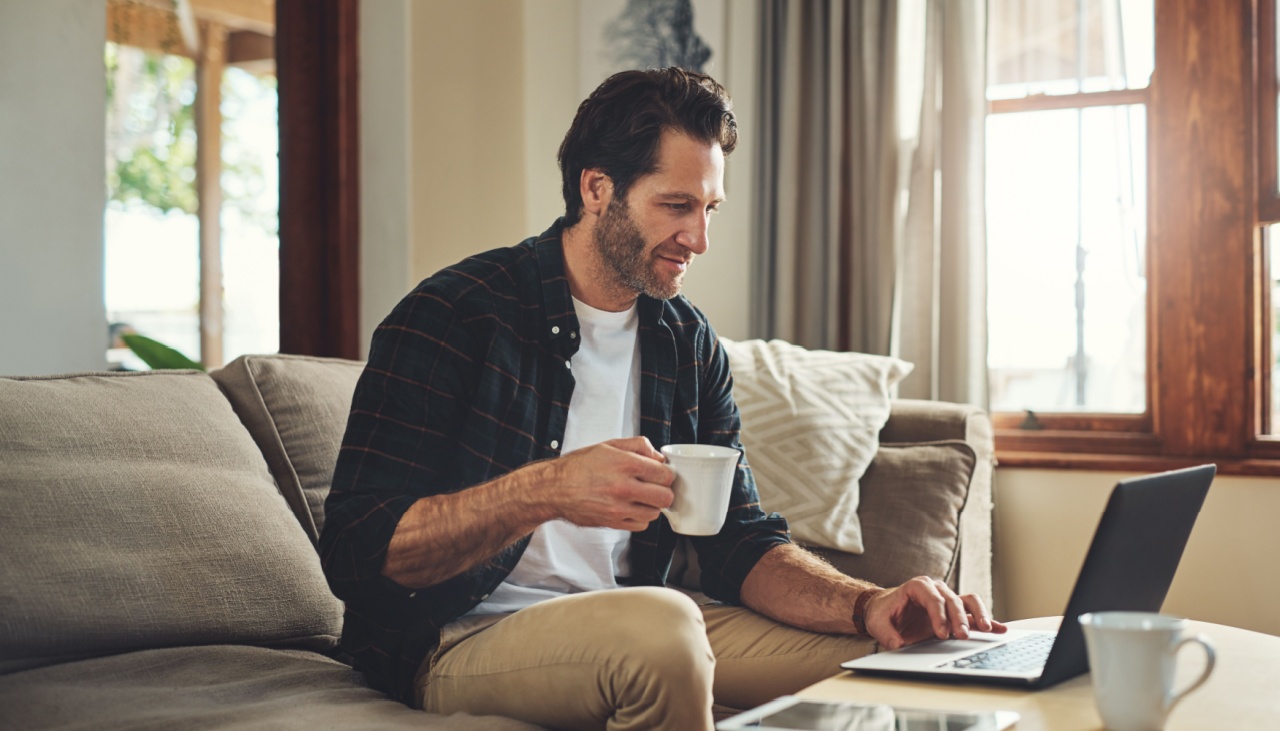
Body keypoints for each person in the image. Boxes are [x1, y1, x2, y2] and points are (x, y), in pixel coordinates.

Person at [319, 67, 1004, 730]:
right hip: (459, 637)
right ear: (597, 188)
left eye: (709, 209)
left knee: (907, 660)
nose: (699, 239)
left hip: (646, 617)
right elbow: (357, 550)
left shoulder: (686, 340)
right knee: (663, 626)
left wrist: (869, 604)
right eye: (677, 206)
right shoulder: (454, 315)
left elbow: (741, 542)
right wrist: (548, 488)